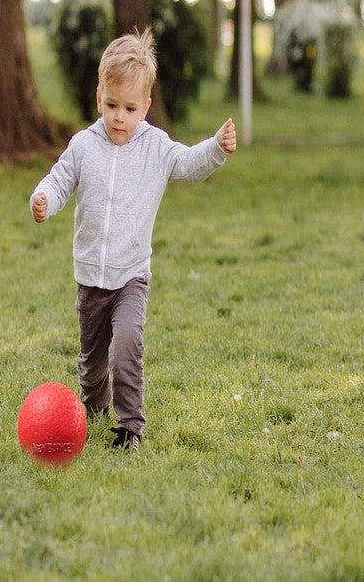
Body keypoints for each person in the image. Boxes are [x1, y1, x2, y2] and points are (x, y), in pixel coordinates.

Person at [30, 27, 236, 451]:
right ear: (98, 97)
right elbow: (60, 178)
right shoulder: (84, 145)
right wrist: (44, 199)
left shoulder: (156, 148)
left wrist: (216, 147)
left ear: (146, 106)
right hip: (90, 276)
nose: (118, 117)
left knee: (126, 346)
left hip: (130, 277)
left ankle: (129, 427)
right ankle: (94, 402)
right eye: (110, 105)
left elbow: (189, 163)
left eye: (128, 108)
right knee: (92, 365)